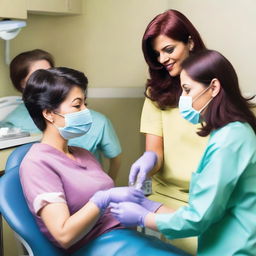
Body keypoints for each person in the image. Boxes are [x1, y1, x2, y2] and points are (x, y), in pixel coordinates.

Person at [20, 67, 189, 255]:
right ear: (49, 113)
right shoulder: (37, 163)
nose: (86, 110)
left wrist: (189, 219)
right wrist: (102, 199)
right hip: (97, 247)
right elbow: (64, 235)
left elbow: (118, 208)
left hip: (126, 238)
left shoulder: (83, 154)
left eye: (85, 103)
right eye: (77, 105)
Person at [110, 49, 256, 255]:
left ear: (213, 87)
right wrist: (148, 204)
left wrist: (144, 218)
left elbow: (198, 217)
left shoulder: (230, 140)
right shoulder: (227, 132)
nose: (183, 98)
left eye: (187, 90)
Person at [2, 49, 121, 180]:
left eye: (50, 73)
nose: (48, 81)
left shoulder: (93, 134)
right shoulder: (15, 129)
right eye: (39, 76)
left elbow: (115, 160)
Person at [129, 9, 208, 204]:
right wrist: (149, 161)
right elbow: (155, 152)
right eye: (157, 54)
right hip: (165, 195)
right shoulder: (156, 96)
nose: (162, 59)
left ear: (190, 42)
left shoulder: (216, 89)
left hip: (211, 196)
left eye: (169, 50)